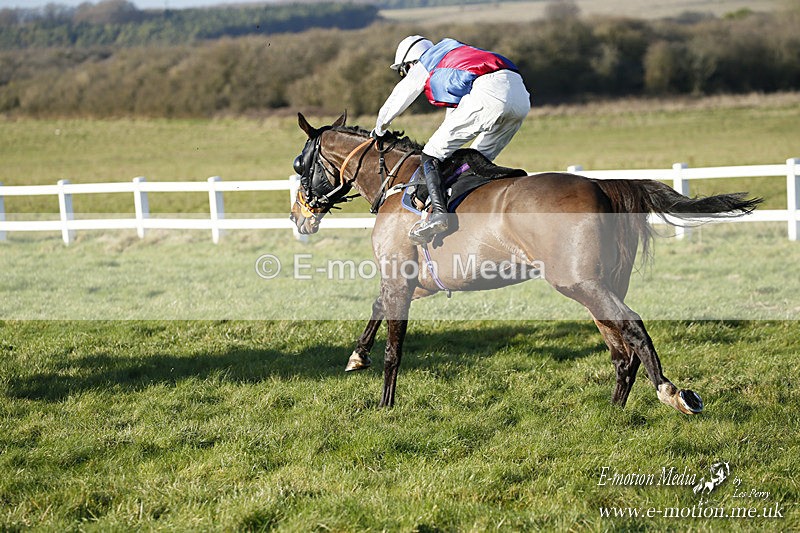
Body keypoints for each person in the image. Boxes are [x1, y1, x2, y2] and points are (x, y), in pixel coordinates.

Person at [372, 35, 530, 244]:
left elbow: (400, 96)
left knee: (430, 154)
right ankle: (476, 207)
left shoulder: (427, 60)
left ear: (410, 63)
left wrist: (379, 129)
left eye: (403, 71)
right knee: (475, 159)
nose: (405, 75)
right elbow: (454, 116)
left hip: (489, 93)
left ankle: (439, 214)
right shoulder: (454, 57)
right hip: (520, 96)